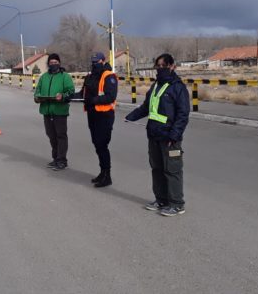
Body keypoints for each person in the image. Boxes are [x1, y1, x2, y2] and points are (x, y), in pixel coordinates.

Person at [125, 53, 190, 216]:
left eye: (164, 66)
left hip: (170, 138)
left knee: (172, 170)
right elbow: (147, 107)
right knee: (157, 169)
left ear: (172, 66)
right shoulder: (155, 86)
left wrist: (174, 136)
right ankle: (161, 200)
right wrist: (131, 116)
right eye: (158, 66)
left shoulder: (178, 87)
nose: (160, 69)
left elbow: (183, 115)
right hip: (154, 135)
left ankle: (177, 204)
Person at [73, 52, 118, 188]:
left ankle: (107, 176)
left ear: (103, 61)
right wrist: (67, 97)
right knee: (97, 145)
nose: (94, 64)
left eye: (97, 61)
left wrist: (93, 100)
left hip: (105, 116)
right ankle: (102, 172)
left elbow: (111, 96)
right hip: (92, 115)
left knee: (102, 145)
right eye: (93, 61)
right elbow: (82, 94)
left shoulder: (109, 76)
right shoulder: (89, 77)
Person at [34, 53, 75, 171]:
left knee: (61, 136)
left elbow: (71, 92)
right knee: (51, 136)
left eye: (55, 62)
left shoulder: (65, 77)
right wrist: (37, 97)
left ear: (59, 63)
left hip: (60, 111)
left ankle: (62, 160)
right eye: (51, 63)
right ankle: (55, 158)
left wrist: (62, 96)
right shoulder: (44, 77)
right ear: (48, 64)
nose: (53, 64)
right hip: (47, 111)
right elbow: (38, 91)